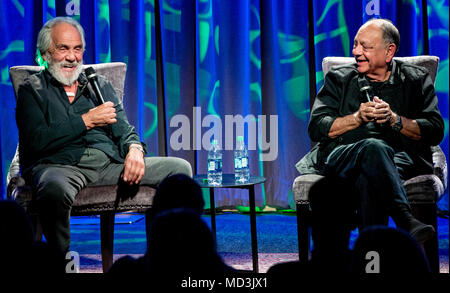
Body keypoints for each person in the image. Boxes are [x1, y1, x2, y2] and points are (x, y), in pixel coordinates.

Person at [15, 17, 192, 257]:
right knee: (53, 189)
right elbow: (36, 141)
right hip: (60, 166)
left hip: (107, 163)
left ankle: (168, 255)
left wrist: (135, 150)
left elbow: (125, 129)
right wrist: (86, 120)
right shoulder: (32, 90)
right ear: (46, 54)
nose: (72, 57)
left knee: (180, 169)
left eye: (77, 49)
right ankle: (59, 261)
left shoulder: (97, 85)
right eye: (63, 48)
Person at [296, 18, 444, 244]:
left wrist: (395, 120)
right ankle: (406, 221)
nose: (356, 52)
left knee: (369, 179)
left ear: (389, 51)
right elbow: (316, 127)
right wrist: (357, 118)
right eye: (355, 44)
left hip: (399, 158)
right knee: (373, 146)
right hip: (343, 155)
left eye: (365, 47)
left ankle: (370, 261)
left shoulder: (415, 79)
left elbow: (434, 130)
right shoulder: (339, 78)